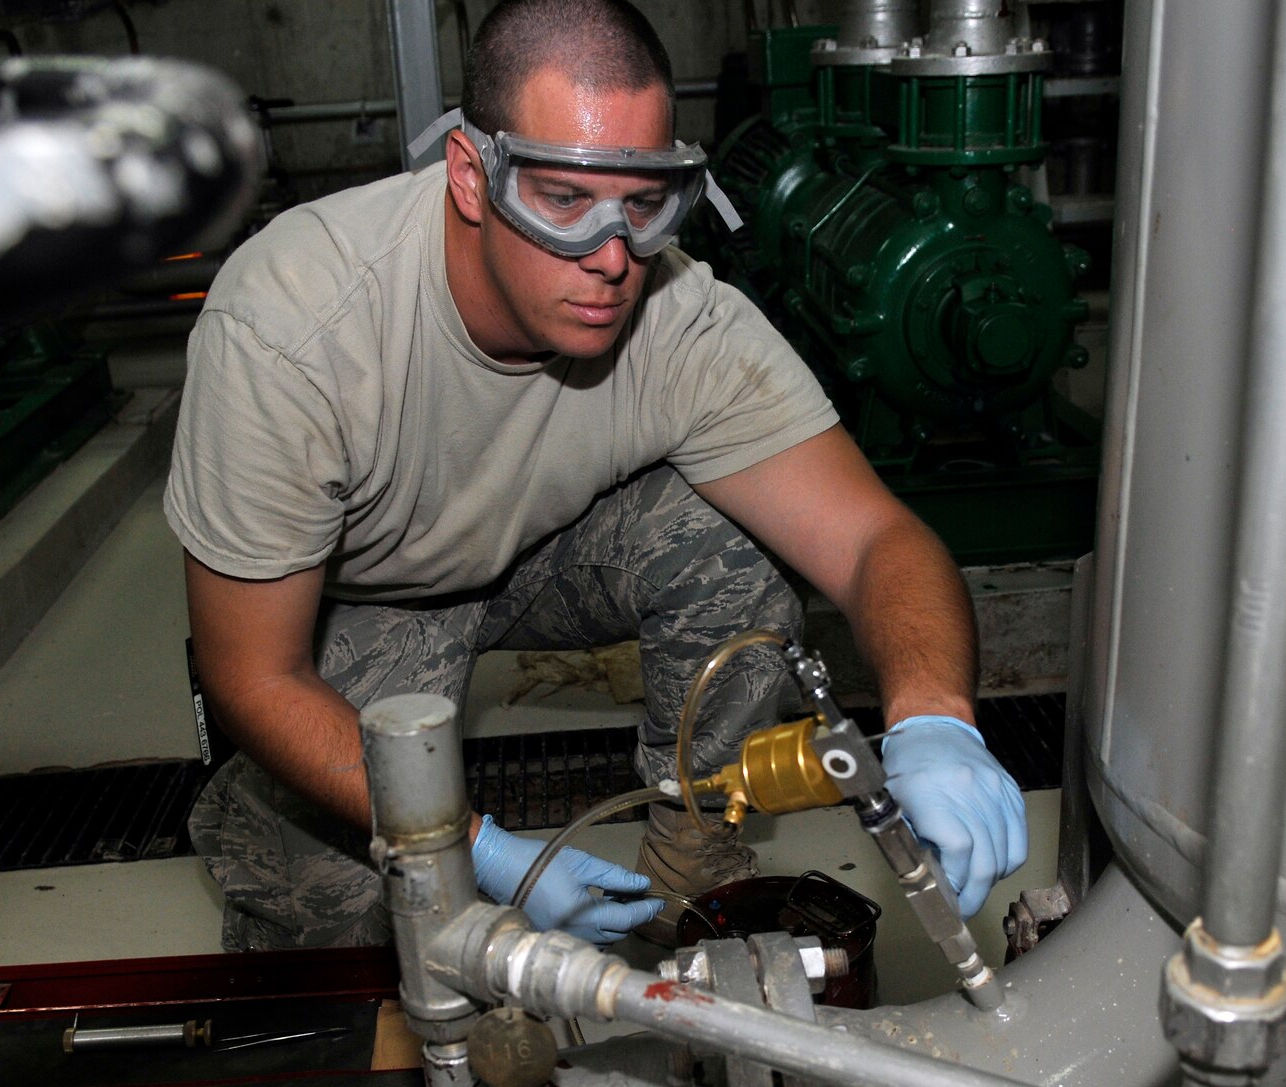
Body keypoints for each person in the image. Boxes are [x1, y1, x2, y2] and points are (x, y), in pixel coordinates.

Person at [166, 0, 1027, 954]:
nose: (613, 258)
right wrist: (471, 845)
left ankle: (690, 865)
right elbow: (253, 672)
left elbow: (875, 540)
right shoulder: (294, 329)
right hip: (363, 595)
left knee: (739, 547)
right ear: (470, 176)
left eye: (644, 203)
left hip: (535, 552)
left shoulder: (680, 320)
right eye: (564, 201)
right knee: (351, 911)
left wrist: (936, 720)